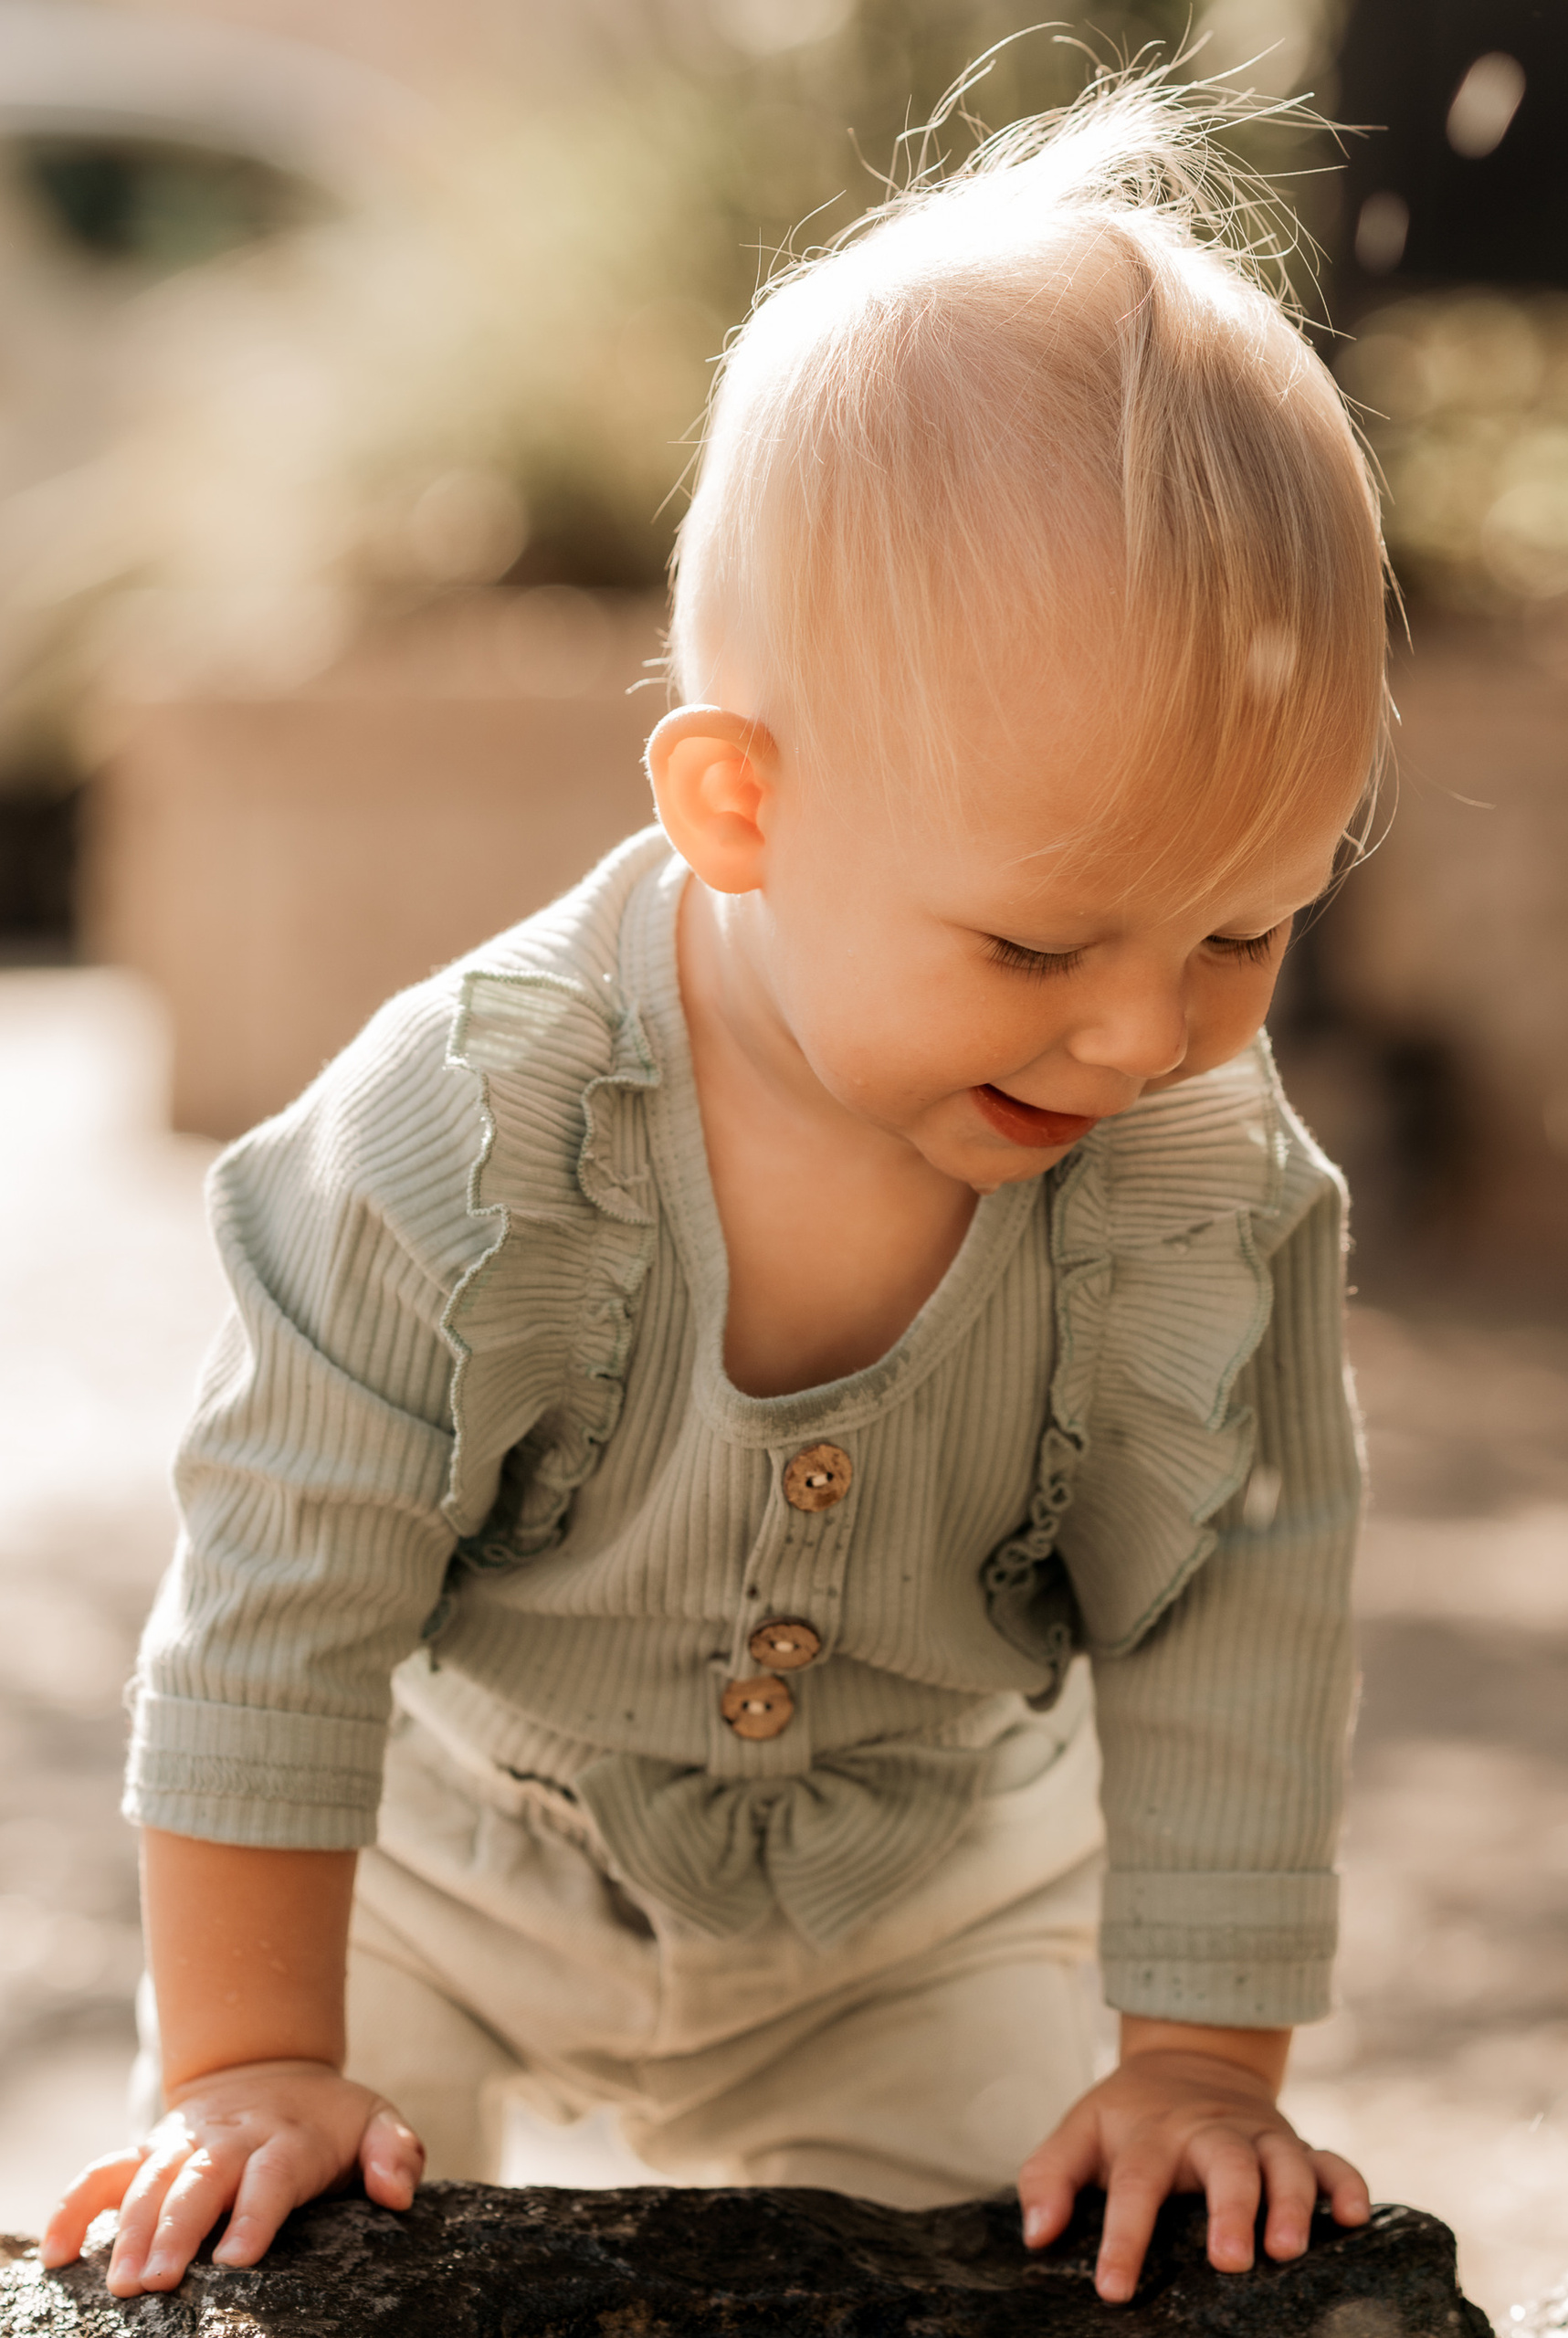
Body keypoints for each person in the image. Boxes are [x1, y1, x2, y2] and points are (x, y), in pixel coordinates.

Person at [42, 60, 1387, 2310]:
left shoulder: (1199, 1197)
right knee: (288, 2244)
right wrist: (249, 2052)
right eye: (1039, 944)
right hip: (433, 1872)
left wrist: (1198, 2065)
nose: (1143, 1033)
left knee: (1028, 2260)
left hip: (925, 1915)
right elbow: (279, 1580)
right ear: (737, 804)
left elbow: (1239, 1616)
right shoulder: (468, 1139)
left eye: (1245, 929)